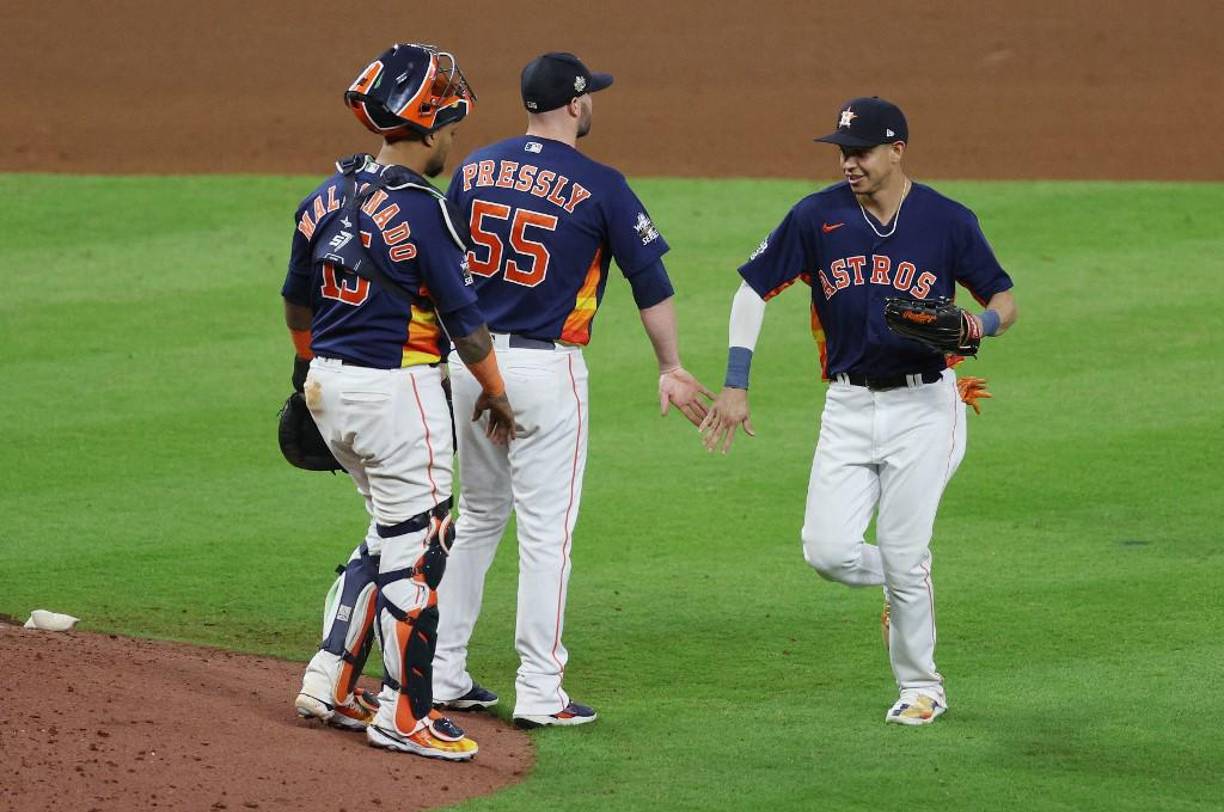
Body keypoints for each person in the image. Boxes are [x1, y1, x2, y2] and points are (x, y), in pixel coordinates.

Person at [699, 97, 1017, 726]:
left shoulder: (947, 220)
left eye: (862, 151)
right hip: (845, 404)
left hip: (926, 405)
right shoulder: (816, 218)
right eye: (843, 151)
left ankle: (922, 686)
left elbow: (1004, 297)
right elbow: (751, 289)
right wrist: (735, 384)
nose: (849, 162)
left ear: (897, 150)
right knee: (828, 551)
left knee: (903, 550)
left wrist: (979, 327)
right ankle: (904, 580)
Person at [432, 52, 712, 727]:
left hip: (470, 363)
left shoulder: (473, 168)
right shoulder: (601, 184)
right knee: (545, 535)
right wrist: (670, 364)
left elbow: (439, 267)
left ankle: (440, 669)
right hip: (543, 373)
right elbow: (653, 287)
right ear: (576, 104)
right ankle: (538, 689)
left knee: (478, 518)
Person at [283, 43, 517, 760]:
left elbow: (298, 303)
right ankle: (405, 711)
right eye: (449, 127)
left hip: (328, 386)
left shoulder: (324, 195)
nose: (453, 138)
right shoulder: (425, 212)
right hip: (396, 394)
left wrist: (307, 377)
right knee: (421, 550)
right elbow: (467, 328)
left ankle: (334, 676)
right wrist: (500, 398)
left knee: (388, 532)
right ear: (427, 129)